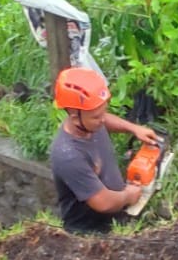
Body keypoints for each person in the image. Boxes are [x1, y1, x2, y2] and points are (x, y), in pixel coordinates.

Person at [48, 67, 160, 233]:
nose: (102, 119)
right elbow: (103, 202)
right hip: (91, 231)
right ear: (74, 116)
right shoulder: (68, 155)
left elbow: (103, 119)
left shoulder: (90, 122)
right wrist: (128, 196)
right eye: (96, 116)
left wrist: (134, 129)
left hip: (116, 214)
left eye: (103, 112)